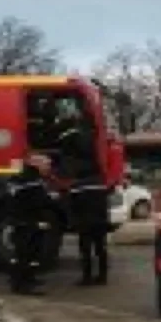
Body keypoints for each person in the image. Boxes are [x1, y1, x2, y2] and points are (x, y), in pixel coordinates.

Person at [54, 115, 111, 286]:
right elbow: (105, 203)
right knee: (101, 248)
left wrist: (72, 220)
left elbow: (72, 205)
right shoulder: (100, 183)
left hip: (85, 222)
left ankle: (87, 277)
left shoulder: (77, 186)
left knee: (85, 249)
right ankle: (102, 277)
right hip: (99, 221)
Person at [6, 154, 59, 295]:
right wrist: (52, 199)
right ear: (37, 165)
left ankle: (26, 279)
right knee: (26, 253)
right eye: (47, 165)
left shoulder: (20, 178)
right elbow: (38, 201)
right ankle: (22, 285)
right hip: (28, 221)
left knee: (25, 253)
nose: (49, 168)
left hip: (21, 220)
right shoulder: (33, 181)